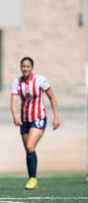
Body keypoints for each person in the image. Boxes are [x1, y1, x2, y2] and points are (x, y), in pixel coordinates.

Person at [11, 56, 60, 190]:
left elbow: (52, 97)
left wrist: (56, 117)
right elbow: (14, 101)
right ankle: (31, 179)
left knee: (30, 146)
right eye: (23, 66)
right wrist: (15, 115)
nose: (25, 68)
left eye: (27, 66)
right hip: (24, 120)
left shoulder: (40, 80)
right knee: (28, 150)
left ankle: (33, 179)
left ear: (32, 67)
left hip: (38, 117)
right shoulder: (17, 82)